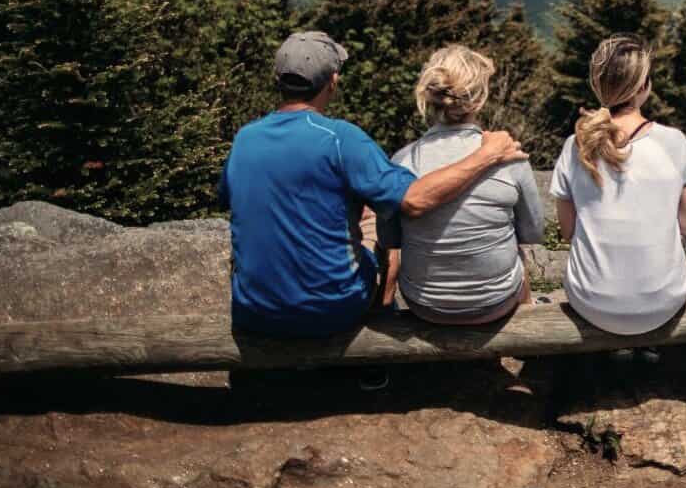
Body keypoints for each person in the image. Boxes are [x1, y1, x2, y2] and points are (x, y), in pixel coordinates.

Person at [219, 31, 527, 340]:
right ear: (333, 80)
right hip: (331, 310)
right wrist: (487, 154)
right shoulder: (341, 137)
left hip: (254, 311)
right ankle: (382, 325)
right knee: (382, 226)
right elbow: (414, 200)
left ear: (279, 79)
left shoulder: (245, 138)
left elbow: (235, 198)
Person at [550, 34, 686, 347]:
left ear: (597, 85)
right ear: (644, 85)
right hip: (662, 303)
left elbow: (568, 231)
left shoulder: (576, 145)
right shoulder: (673, 142)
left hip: (591, 302)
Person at [384, 45, 543, 325]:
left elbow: (391, 239)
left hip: (424, 304)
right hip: (495, 303)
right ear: (480, 99)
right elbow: (532, 232)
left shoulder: (403, 160)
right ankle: (528, 345)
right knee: (517, 252)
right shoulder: (509, 156)